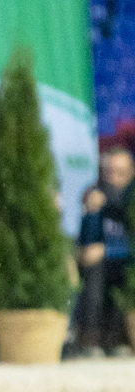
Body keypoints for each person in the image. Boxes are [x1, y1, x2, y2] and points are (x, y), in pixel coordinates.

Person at [73, 147, 134, 354]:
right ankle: (91, 340)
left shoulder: (131, 200)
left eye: (120, 173)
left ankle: (119, 340)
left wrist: (107, 249)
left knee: (122, 276)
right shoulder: (94, 194)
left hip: (126, 263)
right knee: (94, 268)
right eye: (109, 172)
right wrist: (92, 213)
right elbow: (85, 241)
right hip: (98, 266)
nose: (113, 178)